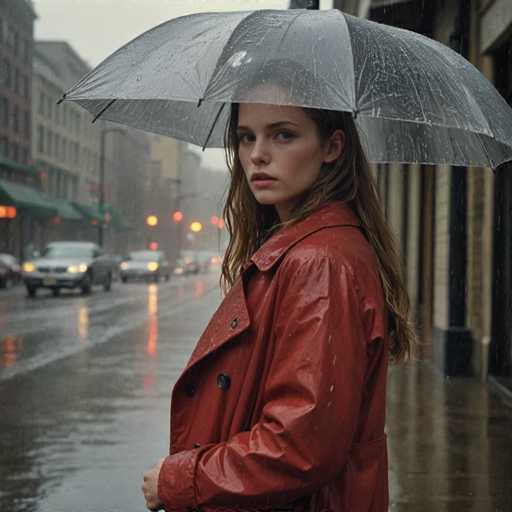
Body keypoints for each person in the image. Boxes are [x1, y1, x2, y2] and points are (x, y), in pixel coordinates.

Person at [142, 80, 416, 511]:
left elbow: (299, 446)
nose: (257, 154)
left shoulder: (318, 262)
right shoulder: (306, 250)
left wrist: (180, 480)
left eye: (283, 134)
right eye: (246, 137)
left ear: (333, 147)